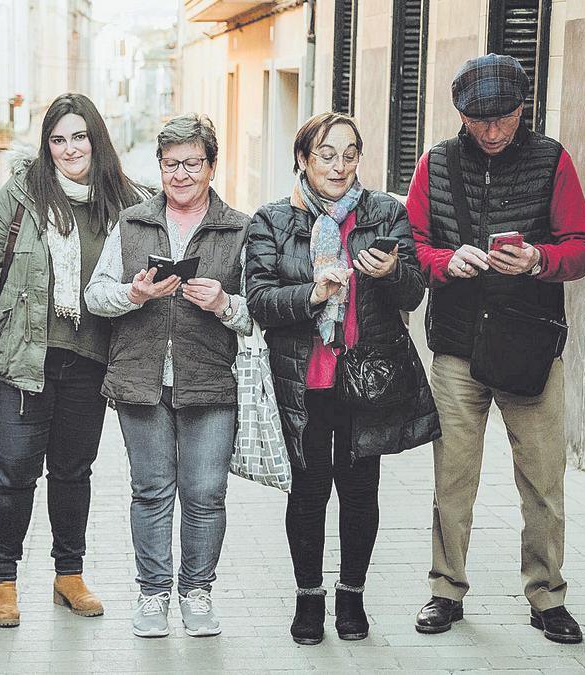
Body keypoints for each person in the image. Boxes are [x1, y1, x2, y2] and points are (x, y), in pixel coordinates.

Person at [407, 54, 585, 644]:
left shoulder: (552, 160)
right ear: (460, 113)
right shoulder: (435, 162)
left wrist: (539, 260)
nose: (491, 131)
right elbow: (412, 242)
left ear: (523, 109)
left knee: (542, 479)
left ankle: (547, 596)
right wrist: (445, 261)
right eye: (477, 120)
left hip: (530, 347)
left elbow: (583, 246)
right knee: (452, 480)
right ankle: (445, 590)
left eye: (503, 118)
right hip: (457, 348)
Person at [246, 112, 439, 645]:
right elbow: (260, 301)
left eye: (349, 153)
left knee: (359, 490)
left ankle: (351, 595)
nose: (339, 164)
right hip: (304, 379)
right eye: (326, 154)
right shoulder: (272, 221)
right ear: (304, 159)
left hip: (365, 378)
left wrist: (391, 272)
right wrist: (311, 294)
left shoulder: (383, 213)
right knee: (308, 490)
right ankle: (308, 598)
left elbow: (413, 292)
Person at [0, 93, 144, 628]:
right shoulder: (21, 194)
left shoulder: (123, 201)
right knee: (14, 472)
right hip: (24, 360)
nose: (70, 148)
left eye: (80, 136)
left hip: (89, 362)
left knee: (73, 472)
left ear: (97, 140)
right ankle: (3, 581)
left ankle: (69, 575)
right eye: (59, 139)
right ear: (47, 145)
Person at [85, 113, 251, 639]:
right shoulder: (132, 222)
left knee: (205, 492)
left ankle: (197, 592)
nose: (180, 174)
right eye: (171, 163)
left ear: (211, 166)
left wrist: (225, 303)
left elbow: (258, 314)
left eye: (192, 164)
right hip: (141, 378)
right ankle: (153, 595)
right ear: (159, 166)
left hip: (209, 380)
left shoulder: (239, 228)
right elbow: (96, 294)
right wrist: (135, 294)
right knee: (152, 490)